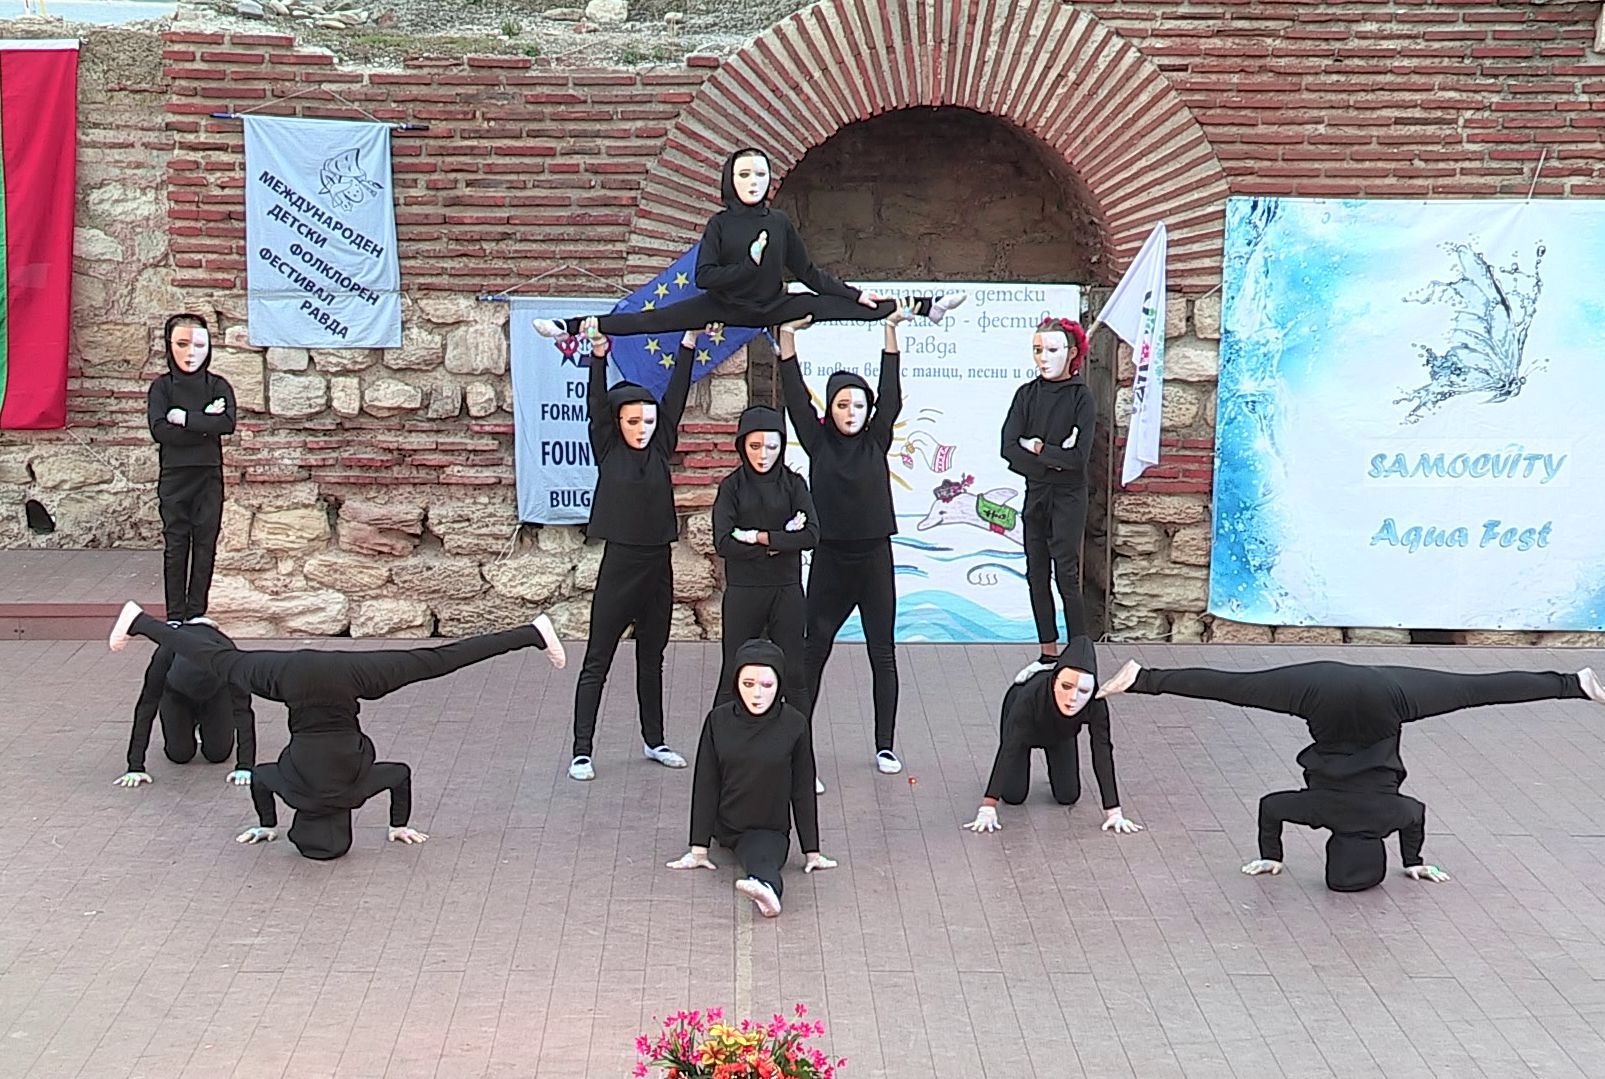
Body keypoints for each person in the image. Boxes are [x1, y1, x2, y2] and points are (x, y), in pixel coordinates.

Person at [108, 601, 567, 861]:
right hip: (289, 678)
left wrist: (398, 825)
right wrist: (267, 823)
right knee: (218, 659)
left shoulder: (355, 793)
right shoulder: (291, 791)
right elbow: (261, 777)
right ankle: (142, 622)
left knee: (436, 662)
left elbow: (400, 775)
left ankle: (532, 633)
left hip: (348, 678)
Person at [1099, 657, 1605, 889]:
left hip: (1392, 696)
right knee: (1237, 687)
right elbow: (1271, 808)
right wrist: (1271, 855)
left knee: (1474, 691)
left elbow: (1416, 816)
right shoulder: (1316, 812)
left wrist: (1414, 861)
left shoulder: (1394, 816)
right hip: (1320, 690)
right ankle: (1144, 678)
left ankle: (1572, 684)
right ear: (1332, 850)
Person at [531, 146, 965, 340]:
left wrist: (853, 293)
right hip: (724, 307)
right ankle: (572, 326)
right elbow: (705, 277)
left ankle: (928, 307)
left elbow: (807, 273)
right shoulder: (720, 224)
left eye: (760, 174)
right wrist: (749, 266)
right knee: (653, 320)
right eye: (744, 174)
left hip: (774, 305)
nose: (753, 181)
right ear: (730, 180)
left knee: (850, 308)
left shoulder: (778, 222)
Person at [568, 320, 698, 782]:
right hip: (621, 564)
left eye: (648, 421)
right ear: (618, 423)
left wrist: (688, 343)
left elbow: (676, 397)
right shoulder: (607, 447)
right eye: (633, 421)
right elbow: (596, 406)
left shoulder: (661, 448)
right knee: (598, 658)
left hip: (658, 565)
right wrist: (598, 355)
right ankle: (582, 750)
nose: (642, 429)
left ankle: (654, 740)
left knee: (652, 658)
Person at [780, 311, 909, 774]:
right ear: (830, 409)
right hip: (831, 559)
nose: (851, 412)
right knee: (812, 651)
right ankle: (797, 744)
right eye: (842, 405)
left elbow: (891, 396)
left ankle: (885, 745)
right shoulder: (817, 441)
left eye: (858, 405)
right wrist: (787, 338)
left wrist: (890, 330)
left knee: (882, 653)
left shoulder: (877, 439)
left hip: (874, 559)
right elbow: (794, 397)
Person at [668, 638, 836, 917]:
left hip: (769, 828)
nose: (757, 694)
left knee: (762, 858)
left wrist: (812, 851)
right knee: (752, 851)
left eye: (766, 685)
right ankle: (762, 886)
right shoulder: (718, 721)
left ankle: (767, 891)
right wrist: (699, 848)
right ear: (736, 683)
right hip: (727, 825)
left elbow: (802, 788)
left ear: (779, 684)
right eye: (748, 684)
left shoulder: (794, 724)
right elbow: (706, 784)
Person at [961, 637, 1141, 836]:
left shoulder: (1096, 702)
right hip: (1025, 732)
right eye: (1066, 687)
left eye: (1083, 691)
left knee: (1068, 796)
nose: (1073, 699)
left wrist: (1114, 811)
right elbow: (1009, 747)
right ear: (1055, 681)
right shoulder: (1028, 697)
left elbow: (1102, 751)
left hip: (1060, 734)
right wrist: (988, 805)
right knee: (1013, 795)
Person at [1000, 318, 1095, 682]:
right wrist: (1054, 457)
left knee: (1066, 575)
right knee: (1036, 572)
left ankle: (1080, 653)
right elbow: (1009, 448)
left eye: (1052, 350)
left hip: (1069, 498)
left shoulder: (1081, 397)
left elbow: (1079, 458)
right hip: (1036, 494)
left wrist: (1039, 448)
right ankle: (1047, 653)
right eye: (1038, 350)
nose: (1043, 358)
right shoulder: (1026, 395)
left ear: (1072, 353)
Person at [147, 313, 236, 622]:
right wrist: (204, 423)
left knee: (205, 543)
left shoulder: (217, 385)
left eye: (198, 345)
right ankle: (175, 614)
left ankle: (197, 612)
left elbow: (227, 423)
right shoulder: (162, 388)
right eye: (182, 344)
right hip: (175, 476)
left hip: (208, 475)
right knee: (176, 544)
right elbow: (160, 430)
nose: (190, 354)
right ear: (169, 345)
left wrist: (184, 418)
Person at [116, 617, 257, 789]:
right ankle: (189, 724)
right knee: (179, 755)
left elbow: (243, 711)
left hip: (217, 694)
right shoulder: (166, 652)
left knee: (217, 754)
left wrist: (245, 765)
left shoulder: (228, 655)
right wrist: (135, 766)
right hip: (176, 694)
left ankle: (203, 725)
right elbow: (147, 705)